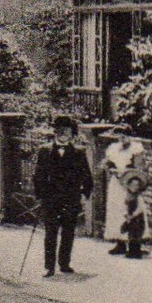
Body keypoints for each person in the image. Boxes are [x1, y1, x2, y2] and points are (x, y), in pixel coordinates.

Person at [34, 115, 94, 278]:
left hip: (71, 198)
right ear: (55, 132)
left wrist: (84, 195)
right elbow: (38, 176)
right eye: (60, 130)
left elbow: (86, 176)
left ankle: (64, 263)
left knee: (68, 232)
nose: (63, 134)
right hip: (51, 200)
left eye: (66, 131)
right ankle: (49, 266)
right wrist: (40, 196)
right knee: (50, 233)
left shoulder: (79, 152)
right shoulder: (45, 151)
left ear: (71, 133)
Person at [109, 171, 151, 259]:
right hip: (130, 218)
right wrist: (126, 215)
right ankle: (130, 250)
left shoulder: (138, 197)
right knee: (130, 234)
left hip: (138, 220)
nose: (134, 188)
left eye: (137, 186)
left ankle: (136, 252)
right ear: (128, 186)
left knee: (136, 235)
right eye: (132, 185)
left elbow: (141, 208)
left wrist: (133, 215)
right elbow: (123, 206)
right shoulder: (127, 196)